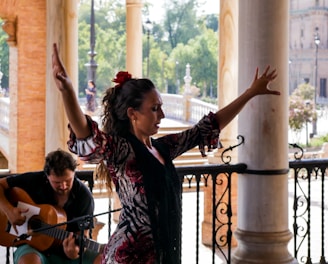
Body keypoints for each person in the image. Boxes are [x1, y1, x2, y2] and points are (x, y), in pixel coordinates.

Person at [51, 42, 280, 264]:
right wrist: (67, 90)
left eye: (160, 107)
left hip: (162, 253)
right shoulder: (123, 150)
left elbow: (206, 127)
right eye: (154, 109)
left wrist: (250, 93)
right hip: (130, 256)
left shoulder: (162, 148)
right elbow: (86, 134)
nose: (161, 115)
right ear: (133, 113)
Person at [0, 149, 102, 264]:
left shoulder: (84, 196)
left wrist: (76, 251)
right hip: (33, 247)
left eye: (68, 181)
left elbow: (83, 235)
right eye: (57, 183)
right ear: (47, 176)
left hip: (65, 251)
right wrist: (9, 211)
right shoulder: (35, 180)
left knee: (101, 258)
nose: (63, 186)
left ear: (74, 172)